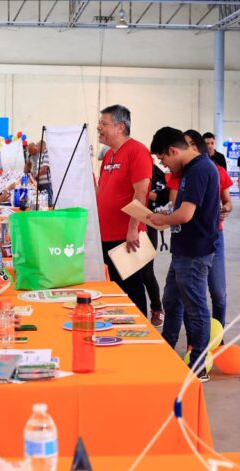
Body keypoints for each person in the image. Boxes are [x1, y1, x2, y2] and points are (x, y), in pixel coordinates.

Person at [146, 127, 220, 379]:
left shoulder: (200, 169)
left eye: (163, 159)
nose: (164, 166)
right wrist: (168, 214)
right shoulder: (191, 169)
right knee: (172, 300)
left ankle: (198, 364)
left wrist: (162, 219)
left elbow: (186, 214)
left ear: (173, 151)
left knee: (195, 307)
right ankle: (167, 348)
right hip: (183, 249)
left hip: (195, 251)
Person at [96, 104, 152, 315]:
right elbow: (103, 191)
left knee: (131, 290)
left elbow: (141, 192)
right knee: (112, 290)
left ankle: (140, 329)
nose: (99, 128)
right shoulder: (109, 155)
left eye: (104, 124)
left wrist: (133, 228)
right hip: (105, 235)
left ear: (120, 127)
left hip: (125, 236)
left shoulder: (137, 151)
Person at [183, 130, 233, 327]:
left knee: (218, 292)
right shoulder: (184, 172)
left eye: (212, 143)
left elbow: (227, 201)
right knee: (194, 293)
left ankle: (218, 335)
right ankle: (195, 337)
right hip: (192, 237)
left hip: (215, 235)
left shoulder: (218, 170)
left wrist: (226, 208)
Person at [144, 157, 170, 326]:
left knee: (146, 270)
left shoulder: (156, 173)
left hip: (148, 223)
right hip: (121, 224)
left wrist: (141, 192)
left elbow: (163, 198)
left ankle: (156, 308)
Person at [26, 141, 52, 206]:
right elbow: (30, 166)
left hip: (46, 184)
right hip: (40, 183)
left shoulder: (46, 154)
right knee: (42, 203)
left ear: (42, 146)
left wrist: (35, 176)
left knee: (47, 203)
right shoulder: (40, 155)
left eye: (37, 146)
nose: (36, 148)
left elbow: (44, 169)